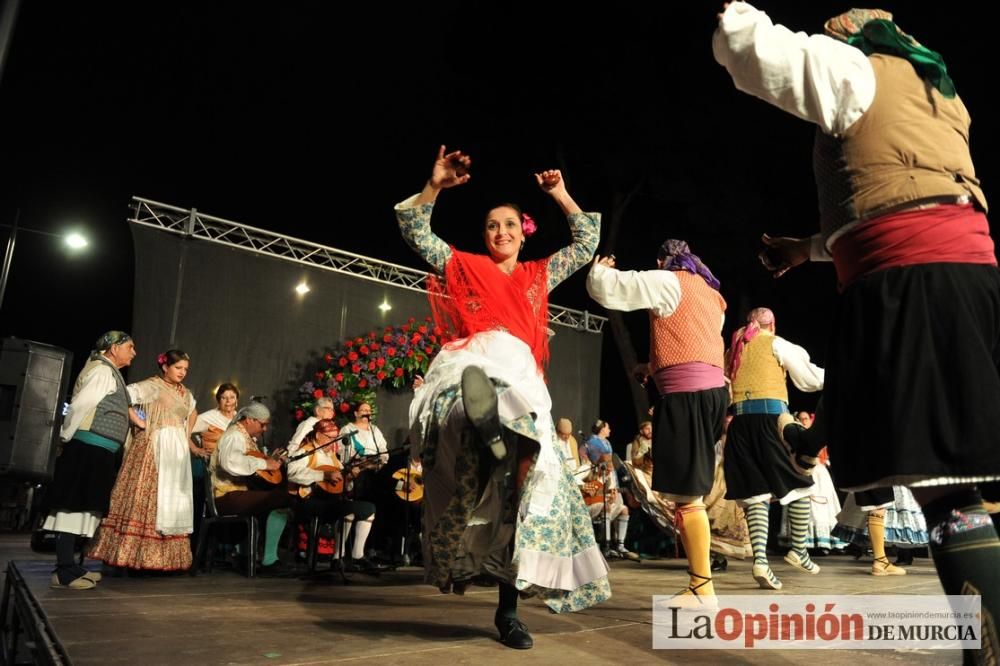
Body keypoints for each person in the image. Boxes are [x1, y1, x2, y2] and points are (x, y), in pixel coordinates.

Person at [715, 5, 1000, 653]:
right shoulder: (939, 93)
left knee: (946, 488)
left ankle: (988, 649)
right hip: (953, 276)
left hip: (915, 283)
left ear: (860, 36)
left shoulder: (859, 68)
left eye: (838, 23)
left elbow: (755, 50)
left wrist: (728, 18)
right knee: (944, 486)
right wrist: (805, 249)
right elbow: (891, 196)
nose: (828, 26)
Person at [396, 145, 608, 649]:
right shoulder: (464, 265)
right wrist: (436, 185)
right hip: (475, 359)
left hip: (522, 372)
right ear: (484, 234)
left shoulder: (538, 276)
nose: (501, 233)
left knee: (530, 491)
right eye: (492, 225)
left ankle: (508, 613)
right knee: (465, 398)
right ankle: (486, 430)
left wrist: (560, 193)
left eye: (510, 225)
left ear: (522, 230)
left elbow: (586, 241)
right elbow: (415, 231)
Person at [586, 241, 730, 607]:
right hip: (711, 395)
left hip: (687, 396)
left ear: (662, 260)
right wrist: (650, 368)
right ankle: (700, 585)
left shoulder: (669, 280)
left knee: (687, 496)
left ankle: (702, 589)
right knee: (689, 494)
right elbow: (694, 344)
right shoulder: (712, 294)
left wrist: (601, 270)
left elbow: (615, 288)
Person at [723, 307, 824, 590]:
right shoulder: (775, 343)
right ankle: (799, 550)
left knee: (755, 493)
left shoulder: (733, 351)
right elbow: (810, 379)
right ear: (772, 324)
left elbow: (724, 386)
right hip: (771, 420)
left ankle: (761, 562)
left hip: (740, 424)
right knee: (801, 481)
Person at [41, 331, 139, 589]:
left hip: (97, 450)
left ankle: (71, 565)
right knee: (73, 505)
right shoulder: (101, 371)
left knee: (86, 506)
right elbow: (80, 406)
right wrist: (65, 439)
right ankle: (63, 570)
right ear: (113, 348)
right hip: (86, 449)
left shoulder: (109, 372)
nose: (134, 352)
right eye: (130, 347)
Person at [88, 349, 200, 572]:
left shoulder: (185, 392)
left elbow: (193, 411)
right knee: (146, 494)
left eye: (185, 369)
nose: (182, 373)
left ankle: (163, 560)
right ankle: (131, 556)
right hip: (154, 445)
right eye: (178, 368)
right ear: (165, 366)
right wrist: (140, 421)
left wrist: (186, 435)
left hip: (175, 449)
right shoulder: (151, 386)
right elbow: (123, 396)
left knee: (171, 500)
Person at [209, 401, 295, 575]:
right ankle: (269, 561)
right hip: (226, 496)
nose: (264, 429)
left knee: (276, 497)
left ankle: (247, 555)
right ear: (249, 420)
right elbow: (231, 462)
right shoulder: (234, 435)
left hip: (238, 494)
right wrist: (265, 463)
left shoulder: (246, 438)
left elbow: (250, 462)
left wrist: (271, 460)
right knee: (281, 499)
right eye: (262, 424)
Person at [286, 419, 379, 571]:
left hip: (331, 500)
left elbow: (342, 486)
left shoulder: (333, 457)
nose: (332, 442)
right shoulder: (305, 451)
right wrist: (323, 475)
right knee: (346, 510)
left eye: (335, 438)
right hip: (309, 501)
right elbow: (292, 474)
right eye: (329, 438)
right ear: (318, 435)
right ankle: (338, 557)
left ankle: (357, 555)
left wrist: (348, 478)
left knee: (369, 508)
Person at [581, 420, 638, 561]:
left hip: (607, 484)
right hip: (593, 493)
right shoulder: (592, 444)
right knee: (606, 507)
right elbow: (584, 455)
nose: (610, 430)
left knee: (622, 508)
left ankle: (619, 545)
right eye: (608, 427)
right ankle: (605, 545)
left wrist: (611, 492)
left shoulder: (606, 443)